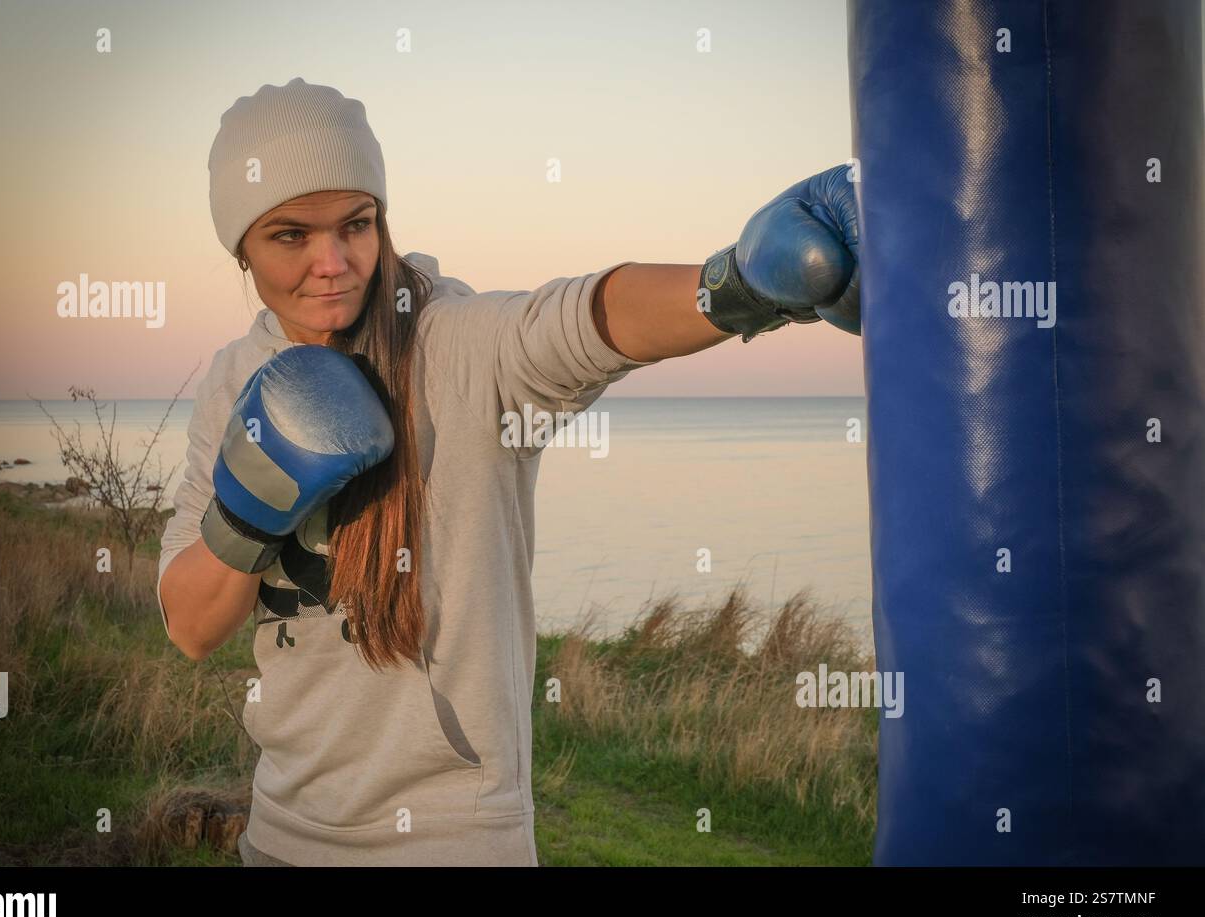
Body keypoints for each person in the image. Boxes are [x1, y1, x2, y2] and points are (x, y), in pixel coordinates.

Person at [156, 77, 861, 867]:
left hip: (456, 844)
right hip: (283, 835)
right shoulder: (229, 382)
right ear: (240, 246)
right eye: (290, 236)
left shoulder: (452, 343)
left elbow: (581, 321)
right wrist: (249, 511)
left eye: (357, 225)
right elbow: (190, 627)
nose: (333, 263)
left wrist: (733, 285)